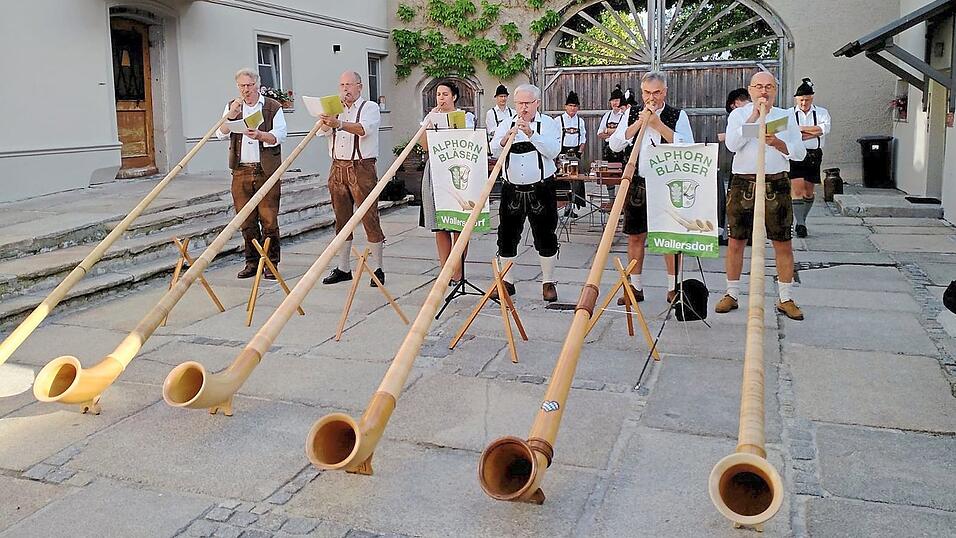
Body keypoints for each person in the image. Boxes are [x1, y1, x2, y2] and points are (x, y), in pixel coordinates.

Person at [718, 71, 807, 320]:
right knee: (736, 240)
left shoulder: (785, 116)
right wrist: (754, 117)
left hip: (775, 182)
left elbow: (800, 153)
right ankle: (731, 293)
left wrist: (778, 143)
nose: (764, 91)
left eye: (769, 87)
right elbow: (732, 145)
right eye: (758, 87)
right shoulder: (738, 115)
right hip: (743, 182)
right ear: (750, 90)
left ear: (775, 90)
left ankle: (785, 297)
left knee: (782, 242)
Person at [609, 71, 694, 304]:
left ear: (664, 92)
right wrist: (640, 123)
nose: (651, 97)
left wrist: (658, 125)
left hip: (668, 185)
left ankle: (673, 287)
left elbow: (687, 146)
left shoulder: (677, 115)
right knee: (635, 236)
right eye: (647, 92)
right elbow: (615, 144)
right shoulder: (631, 113)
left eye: (656, 92)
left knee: (669, 238)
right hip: (639, 182)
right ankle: (635, 287)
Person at [490, 84, 562, 303]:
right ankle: (507, 282)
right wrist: (505, 139)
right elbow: (493, 149)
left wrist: (531, 133)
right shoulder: (506, 123)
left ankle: (548, 282)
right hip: (511, 189)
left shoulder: (548, 124)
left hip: (541, 188)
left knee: (545, 235)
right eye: (519, 103)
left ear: (536, 103)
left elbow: (553, 151)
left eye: (527, 103)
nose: (523, 108)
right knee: (507, 235)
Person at [217, 68, 288, 280]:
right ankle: (252, 262)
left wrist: (260, 135)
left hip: (266, 170)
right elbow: (220, 134)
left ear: (257, 85)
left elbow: (280, 135)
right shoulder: (233, 106)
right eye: (242, 86)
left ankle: (271, 263)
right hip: (241, 170)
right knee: (246, 220)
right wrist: (230, 116)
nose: (246, 90)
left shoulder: (272, 106)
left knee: (269, 220)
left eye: (249, 85)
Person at [317, 71, 386, 287]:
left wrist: (338, 123)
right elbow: (322, 132)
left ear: (359, 87)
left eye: (349, 84)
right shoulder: (335, 108)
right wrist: (328, 119)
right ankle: (343, 267)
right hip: (337, 166)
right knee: (341, 218)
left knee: (369, 217)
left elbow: (363, 129)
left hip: (361, 167)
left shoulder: (369, 107)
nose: (345, 89)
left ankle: (378, 268)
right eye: (342, 85)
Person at [419, 80, 475, 284]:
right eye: (438, 94)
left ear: (454, 97)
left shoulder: (466, 117)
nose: (441, 98)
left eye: (445, 94)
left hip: (457, 170)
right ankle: (444, 270)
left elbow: (469, 141)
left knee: (458, 223)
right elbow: (424, 146)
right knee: (439, 225)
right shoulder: (431, 117)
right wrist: (428, 123)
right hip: (436, 169)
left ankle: (457, 270)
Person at [787, 78, 831, 238]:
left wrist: (800, 129)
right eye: (801, 100)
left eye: (806, 100)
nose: (804, 103)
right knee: (797, 189)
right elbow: (789, 133)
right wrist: (814, 131)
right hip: (795, 154)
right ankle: (800, 224)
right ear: (796, 99)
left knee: (808, 191)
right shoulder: (789, 113)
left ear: (812, 98)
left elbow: (824, 130)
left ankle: (802, 220)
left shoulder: (821, 112)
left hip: (813, 155)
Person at [717, 88, 752, 243]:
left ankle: (737, 234)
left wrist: (728, 136)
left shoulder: (740, 114)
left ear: (735, 103)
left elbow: (735, 142)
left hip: (744, 168)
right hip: (749, 165)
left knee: (736, 203)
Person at [554, 90, 587, 216]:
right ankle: (557, 209)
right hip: (561, 154)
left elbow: (583, 139)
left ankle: (570, 208)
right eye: (570, 105)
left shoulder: (580, 121)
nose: (573, 108)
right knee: (561, 182)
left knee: (575, 182)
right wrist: (556, 156)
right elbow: (553, 138)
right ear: (565, 107)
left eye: (575, 106)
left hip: (575, 154)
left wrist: (580, 152)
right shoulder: (558, 120)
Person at [598, 85, 628, 200]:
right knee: (609, 176)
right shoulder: (607, 115)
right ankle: (611, 199)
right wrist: (614, 133)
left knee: (623, 175)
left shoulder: (625, 115)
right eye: (613, 101)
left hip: (622, 150)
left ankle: (622, 200)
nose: (615, 103)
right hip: (608, 149)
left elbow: (625, 133)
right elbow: (600, 134)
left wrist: (609, 131)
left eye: (617, 100)